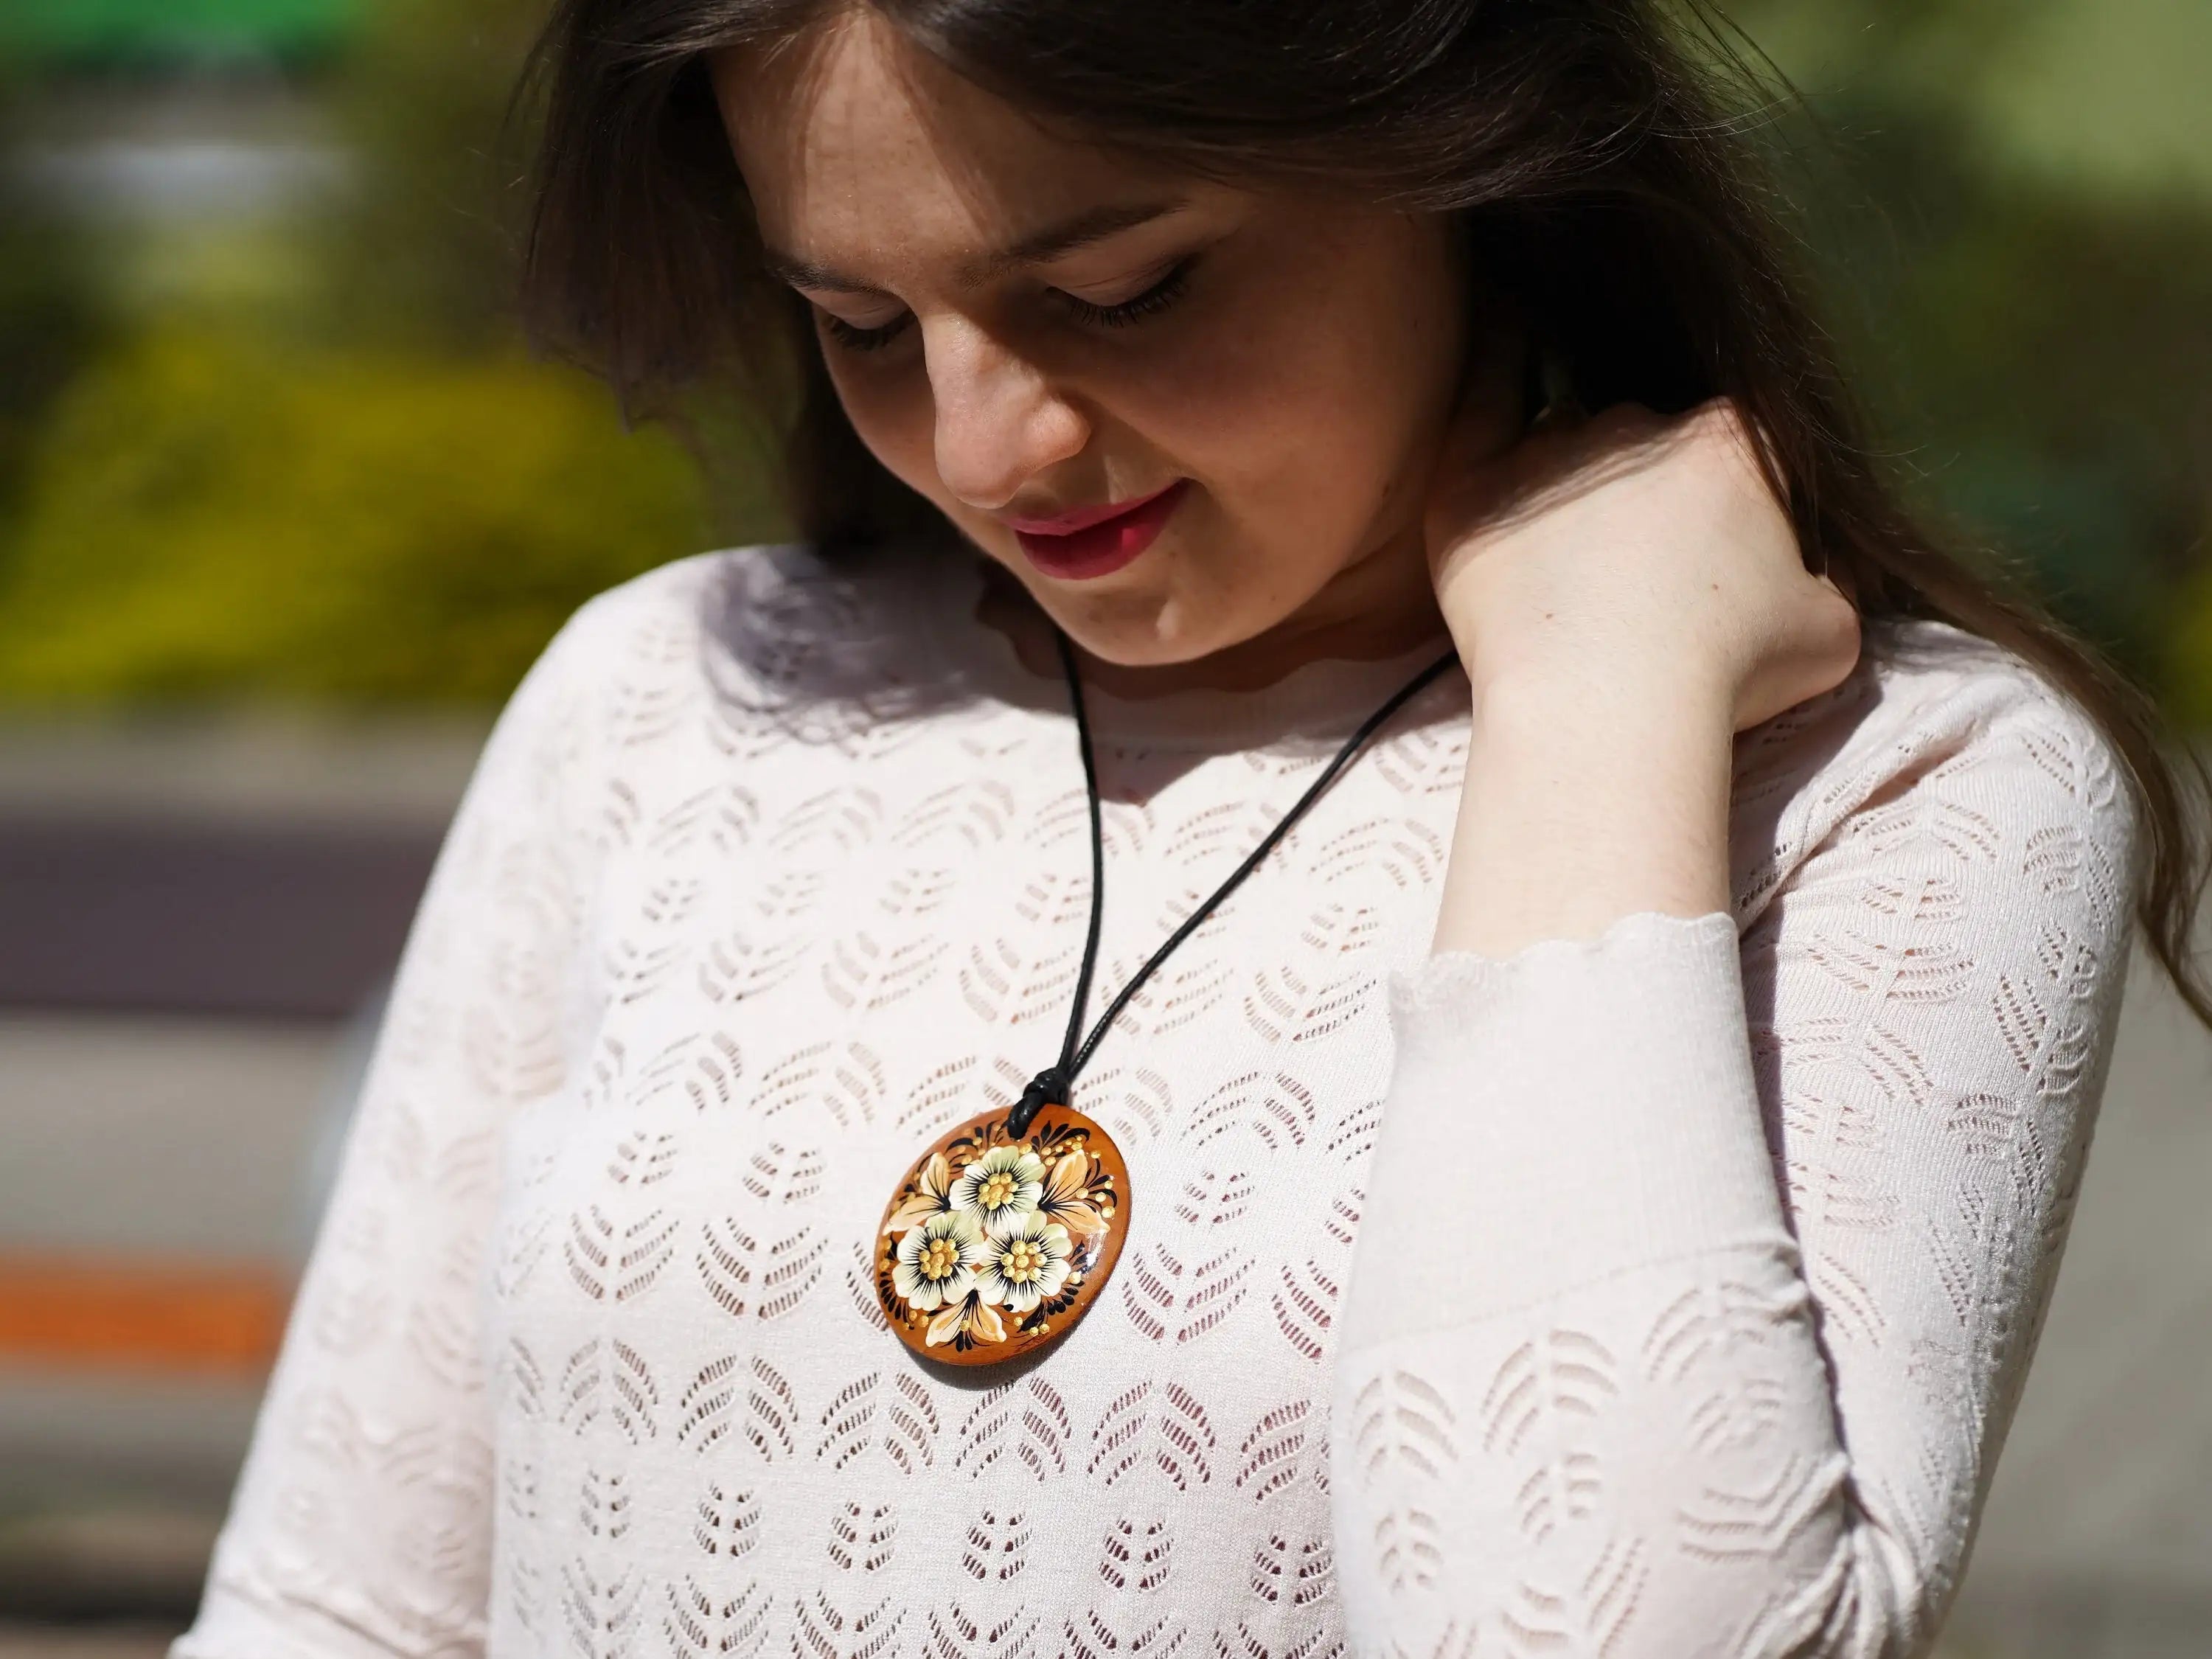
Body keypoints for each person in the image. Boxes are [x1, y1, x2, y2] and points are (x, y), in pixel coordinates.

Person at [173, 2, 2211, 1656]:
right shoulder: (672, 699)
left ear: (1456, 137)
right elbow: (336, 1610)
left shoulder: (1894, 781)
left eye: (1125, 287)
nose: (988, 445)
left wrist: (1598, 718)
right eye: (861, 323)